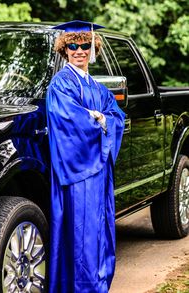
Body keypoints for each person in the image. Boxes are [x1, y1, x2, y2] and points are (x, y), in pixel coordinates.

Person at [46, 20, 125, 293]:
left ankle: (98, 285)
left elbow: (116, 116)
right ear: (64, 49)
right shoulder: (60, 85)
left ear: (93, 48)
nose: (79, 50)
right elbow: (69, 123)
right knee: (81, 234)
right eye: (73, 45)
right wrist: (96, 121)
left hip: (99, 170)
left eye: (85, 45)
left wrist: (102, 118)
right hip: (78, 171)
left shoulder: (98, 88)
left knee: (99, 231)